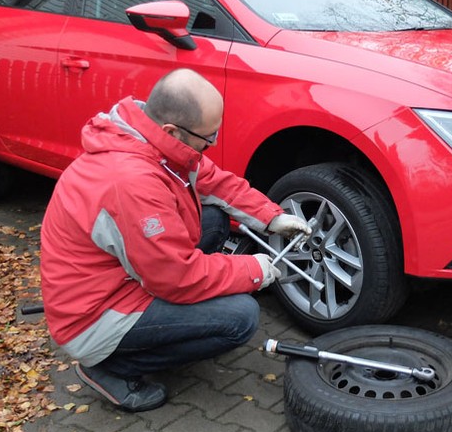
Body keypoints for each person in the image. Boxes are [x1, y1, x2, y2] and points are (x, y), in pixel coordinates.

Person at [39, 68, 311, 412]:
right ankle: (111, 368)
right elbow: (176, 278)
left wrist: (273, 216)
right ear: (172, 130)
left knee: (210, 220)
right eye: (208, 137)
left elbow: (216, 182)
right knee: (241, 317)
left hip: (118, 277)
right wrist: (253, 269)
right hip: (93, 315)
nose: (210, 145)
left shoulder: (152, 141)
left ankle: (160, 335)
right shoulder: (131, 181)